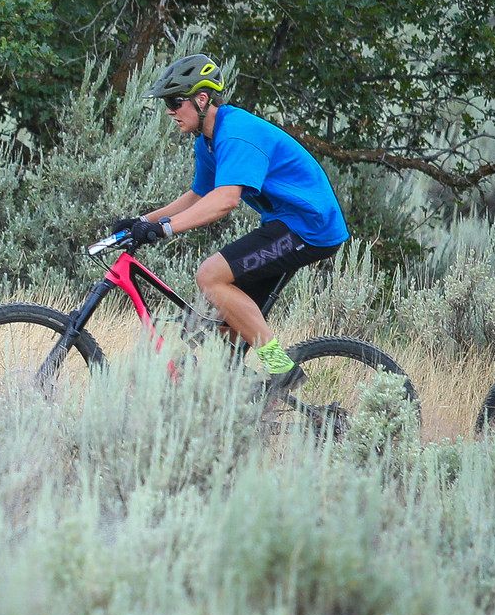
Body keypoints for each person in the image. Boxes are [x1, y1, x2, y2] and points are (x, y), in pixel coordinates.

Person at [114, 53, 349, 396]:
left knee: (210, 275)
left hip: (309, 226)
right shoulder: (207, 141)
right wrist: (141, 222)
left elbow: (224, 200)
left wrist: (165, 229)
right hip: (286, 222)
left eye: (175, 102)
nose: (169, 111)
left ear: (201, 99)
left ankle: (281, 369)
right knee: (220, 335)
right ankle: (245, 405)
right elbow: (198, 195)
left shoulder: (236, 133)